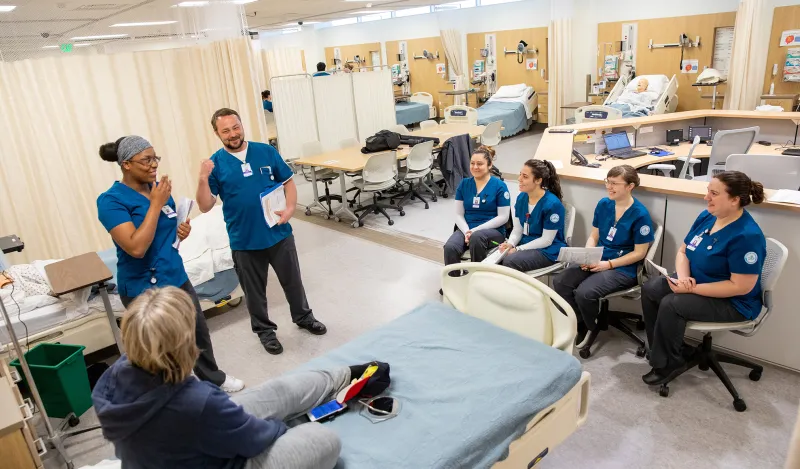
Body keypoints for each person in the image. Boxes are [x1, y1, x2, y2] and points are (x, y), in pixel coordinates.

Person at [93, 287, 369, 469]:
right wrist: (279, 427)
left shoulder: (112, 379)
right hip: (218, 452)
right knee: (324, 440)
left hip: (185, 440)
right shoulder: (196, 402)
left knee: (274, 392)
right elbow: (252, 440)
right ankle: (336, 383)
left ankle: (342, 375)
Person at [97, 136, 243, 393]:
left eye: (156, 158)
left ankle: (213, 378)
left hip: (175, 274)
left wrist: (179, 232)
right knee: (160, 350)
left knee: (198, 332)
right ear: (126, 164)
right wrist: (155, 203)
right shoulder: (111, 200)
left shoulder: (157, 187)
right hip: (143, 286)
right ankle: (174, 396)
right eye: (147, 160)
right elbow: (136, 247)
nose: (154, 165)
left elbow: (165, 228)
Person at [196, 108, 326, 355]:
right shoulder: (216, 164)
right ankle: (266, 333)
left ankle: (304, 317)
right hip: (243, 240)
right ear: (217, 133)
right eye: (226, 131)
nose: (233, 134)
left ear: (241, 125)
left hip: (278, 233)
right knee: (254, 293)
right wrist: (203, 178)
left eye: (236, 127)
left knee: (293, 282)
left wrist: (289, 209)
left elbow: (287, 181)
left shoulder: (265, 151)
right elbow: (204, 205)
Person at [640, 171, 766, 385]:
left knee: (672, 304)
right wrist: (683, 278)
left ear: (735, 200)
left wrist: (690, 289)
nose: (706, 197)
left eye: (714, 193)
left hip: (734, 301)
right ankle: (664, 349)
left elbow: (740, 287)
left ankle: (668, 363)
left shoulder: (747, 236)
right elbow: (683, 251)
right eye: (708, 191)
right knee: (652, 288)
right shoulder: (708, 216)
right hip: (696, 281)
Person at [553, 165, 654, 347]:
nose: (609, 187)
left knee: (585, 292)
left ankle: (592, 325)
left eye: (615, 183)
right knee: (561, 281)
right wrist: (588, 256)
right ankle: (579, 320)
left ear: (630, 186)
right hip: (598, 257)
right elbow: (594, 236)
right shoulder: (604, 204)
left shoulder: (640, 215)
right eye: (608, 181)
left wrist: (608, 264)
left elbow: (640, 253)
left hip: (622, 267)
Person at [443, 146, 511, 266]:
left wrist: (474, 231)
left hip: (493, 232)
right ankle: (454, 281)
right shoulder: (464, 184)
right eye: (472, 163)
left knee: (477, 238)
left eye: (479, 164)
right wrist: (466, 231)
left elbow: (503, 217)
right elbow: (458, 214)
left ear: (489, 165)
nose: (475, 167)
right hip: (467, 229)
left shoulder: (500, 186)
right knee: (450, 247)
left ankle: (478, 278)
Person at [498, 159, 567, 272]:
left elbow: (546, 240)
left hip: (548, 250)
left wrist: (518, 249)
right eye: (520, 174)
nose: (519, 179)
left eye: (525, 176)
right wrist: (510, 244)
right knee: (499, 258)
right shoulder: (521, 198)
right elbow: (517, 229)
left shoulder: (552, 204)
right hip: (527, 243)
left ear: (538, 180)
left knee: (510, 261)